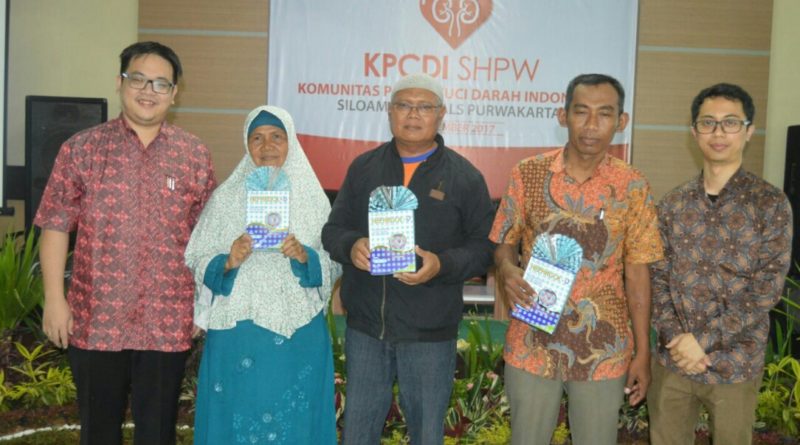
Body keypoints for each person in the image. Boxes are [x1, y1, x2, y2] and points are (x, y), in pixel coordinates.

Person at [35, 41, 216, 445]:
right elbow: (55, 226)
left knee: (158, 434)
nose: (149, 91)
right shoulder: (81, 149)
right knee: (98, 432)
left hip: (167, 320)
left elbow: (207, 239)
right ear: (120, 83)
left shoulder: (194, 155)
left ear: (174, 93)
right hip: (95, 318)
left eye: (160, 83)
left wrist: (203, 304)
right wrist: (54, 299)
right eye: (138, 79)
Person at [322, 73, 496, 445]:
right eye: (404, 105)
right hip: (367, 327)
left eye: (424, 107)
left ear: (441, 114)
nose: (413, 114)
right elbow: (333, 230)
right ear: (390, 111)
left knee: (427, 434)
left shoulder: (464, 177)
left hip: (429, 332)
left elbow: (485, 248)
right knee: (358, 433)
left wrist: (442, 265)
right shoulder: (364, 168)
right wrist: (352, 246)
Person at [490, 73, 664, 445]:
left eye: (604, 114)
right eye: (581, 112)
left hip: (603, 347)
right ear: (563, 115)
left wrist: (642, 352)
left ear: (621, 121)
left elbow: (638, 274)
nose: (591, 124)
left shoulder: (633, 185)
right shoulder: (528, 173)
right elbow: (504, 242)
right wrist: (506, 268)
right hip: (532, 340)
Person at [185, 106, 339, 444]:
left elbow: (334, 262)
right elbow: (195, 257)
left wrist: (305, 257)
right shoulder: (225, 199)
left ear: (290, 141)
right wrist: (227, 261)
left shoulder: (313, 199)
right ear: (246, 144)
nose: (267, 146)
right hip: (238, 332)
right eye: (257, 138)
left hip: (297, 335)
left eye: (276, 137)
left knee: (295, 423)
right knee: (236, 417)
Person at [648, 83, 792, 445]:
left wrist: (702, 341)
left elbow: (766, 289)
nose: (718, 132)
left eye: (730, 122)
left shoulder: (770, 204)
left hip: (736, 362)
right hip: (675, 360)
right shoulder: (673, 204)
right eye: (708, 122)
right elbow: (657, 278)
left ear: (748, 131)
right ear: (694, 131)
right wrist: (677, 341)